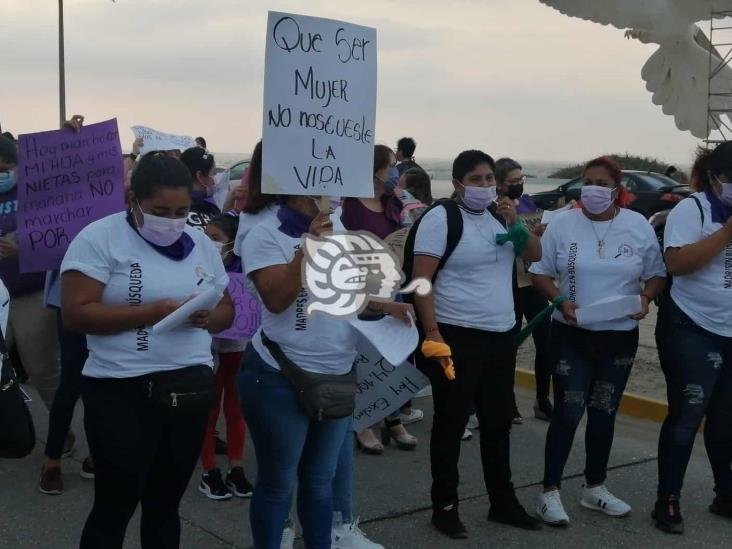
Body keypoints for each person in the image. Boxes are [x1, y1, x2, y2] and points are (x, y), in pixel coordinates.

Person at [61, 154, 234, 548]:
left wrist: (210, 316)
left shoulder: (201, 246)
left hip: (187, 388)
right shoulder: (98, 238)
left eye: (182, 211)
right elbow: (76, 313)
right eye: (160, 211)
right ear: (132, 199)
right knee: (114, 505)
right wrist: (152, 312)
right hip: (120, 389)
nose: (172, 221)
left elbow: (227, 308)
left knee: (164, 506)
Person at [239, 192, 411, 548]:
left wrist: (384, 307)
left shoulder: (342, 227)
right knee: (278, 483)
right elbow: (277, 298)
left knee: (320, 481)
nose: (334, 195)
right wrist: (309, 247)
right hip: (279, 375)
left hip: (336, 373)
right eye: (324, 185)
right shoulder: (264, 233)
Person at [411, 149, 543, 539]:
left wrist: (515, 224)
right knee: (451, 423)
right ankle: (445, 506)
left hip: (501, 335)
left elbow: (534, 256)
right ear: (456, 183)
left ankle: (503, 502)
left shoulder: (497, 217)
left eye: (489, 179)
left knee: (498, 423)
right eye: (476, 179)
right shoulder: (441, 218)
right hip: (457, 336)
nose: (485, 186)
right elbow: (422, 281)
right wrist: (432, 333)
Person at [529, 155, 667, 526]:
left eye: (602, 183)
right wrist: (559, 300)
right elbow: (539, 272)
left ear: (617, 190)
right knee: (569, 411)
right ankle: (549, 492)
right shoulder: (562, 224)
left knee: (604, 413)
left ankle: (595, 487)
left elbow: (657, 274)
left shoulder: (637, 226)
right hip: (571, 334)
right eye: (587, 181)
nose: (593, 189)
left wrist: (646, 298)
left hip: (619, 337)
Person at [653, 143, 732, 534]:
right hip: (690, 327)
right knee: (687, 415)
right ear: (716, 177)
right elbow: (678, 264)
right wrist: (729, 233)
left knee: (726, 419)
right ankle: (667, 498)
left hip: (730, 330)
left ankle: (725, 493)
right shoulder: (693, 209)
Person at [341, 144, 419, 453]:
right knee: (365, 354)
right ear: (374, 169)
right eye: (390, 166)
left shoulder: (393, 201)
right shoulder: (352, 205)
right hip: (363, 286)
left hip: (391, 282)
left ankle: (393, 416)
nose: (395, 171)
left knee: (393, 351)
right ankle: (363, 421)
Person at [0, 135, 65, 444]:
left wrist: (22, 247)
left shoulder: (38, 191)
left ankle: (62, 434)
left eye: (7, 166)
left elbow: (61, 229)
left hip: (31, 293)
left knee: (43, 369)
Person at [198, 214, 253, 501]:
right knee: (208, 408)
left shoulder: (245, 269)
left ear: (233, 242)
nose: (209, 243)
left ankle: (236, 467)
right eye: (206, 236)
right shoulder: (197, 266)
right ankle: (209, 471)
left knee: (235, 406)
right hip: (207, 348)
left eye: (216, 238)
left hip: (237, 346)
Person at [495, 158, 554, 422]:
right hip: (507, 284)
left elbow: (536, 241)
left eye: (521, 180)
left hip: (532, 281)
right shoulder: (493, 208)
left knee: (547, 341)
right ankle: (507, 402)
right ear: (498, 184)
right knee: (510, 345)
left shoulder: (529, 203)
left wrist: (540, 232)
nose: (519, 185)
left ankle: (542, 399)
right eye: (513, 181)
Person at [179, 147, 221, 231]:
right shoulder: (192, 209)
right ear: (200, 176)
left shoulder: (178, 202)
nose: (217, 177)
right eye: (214, 173)